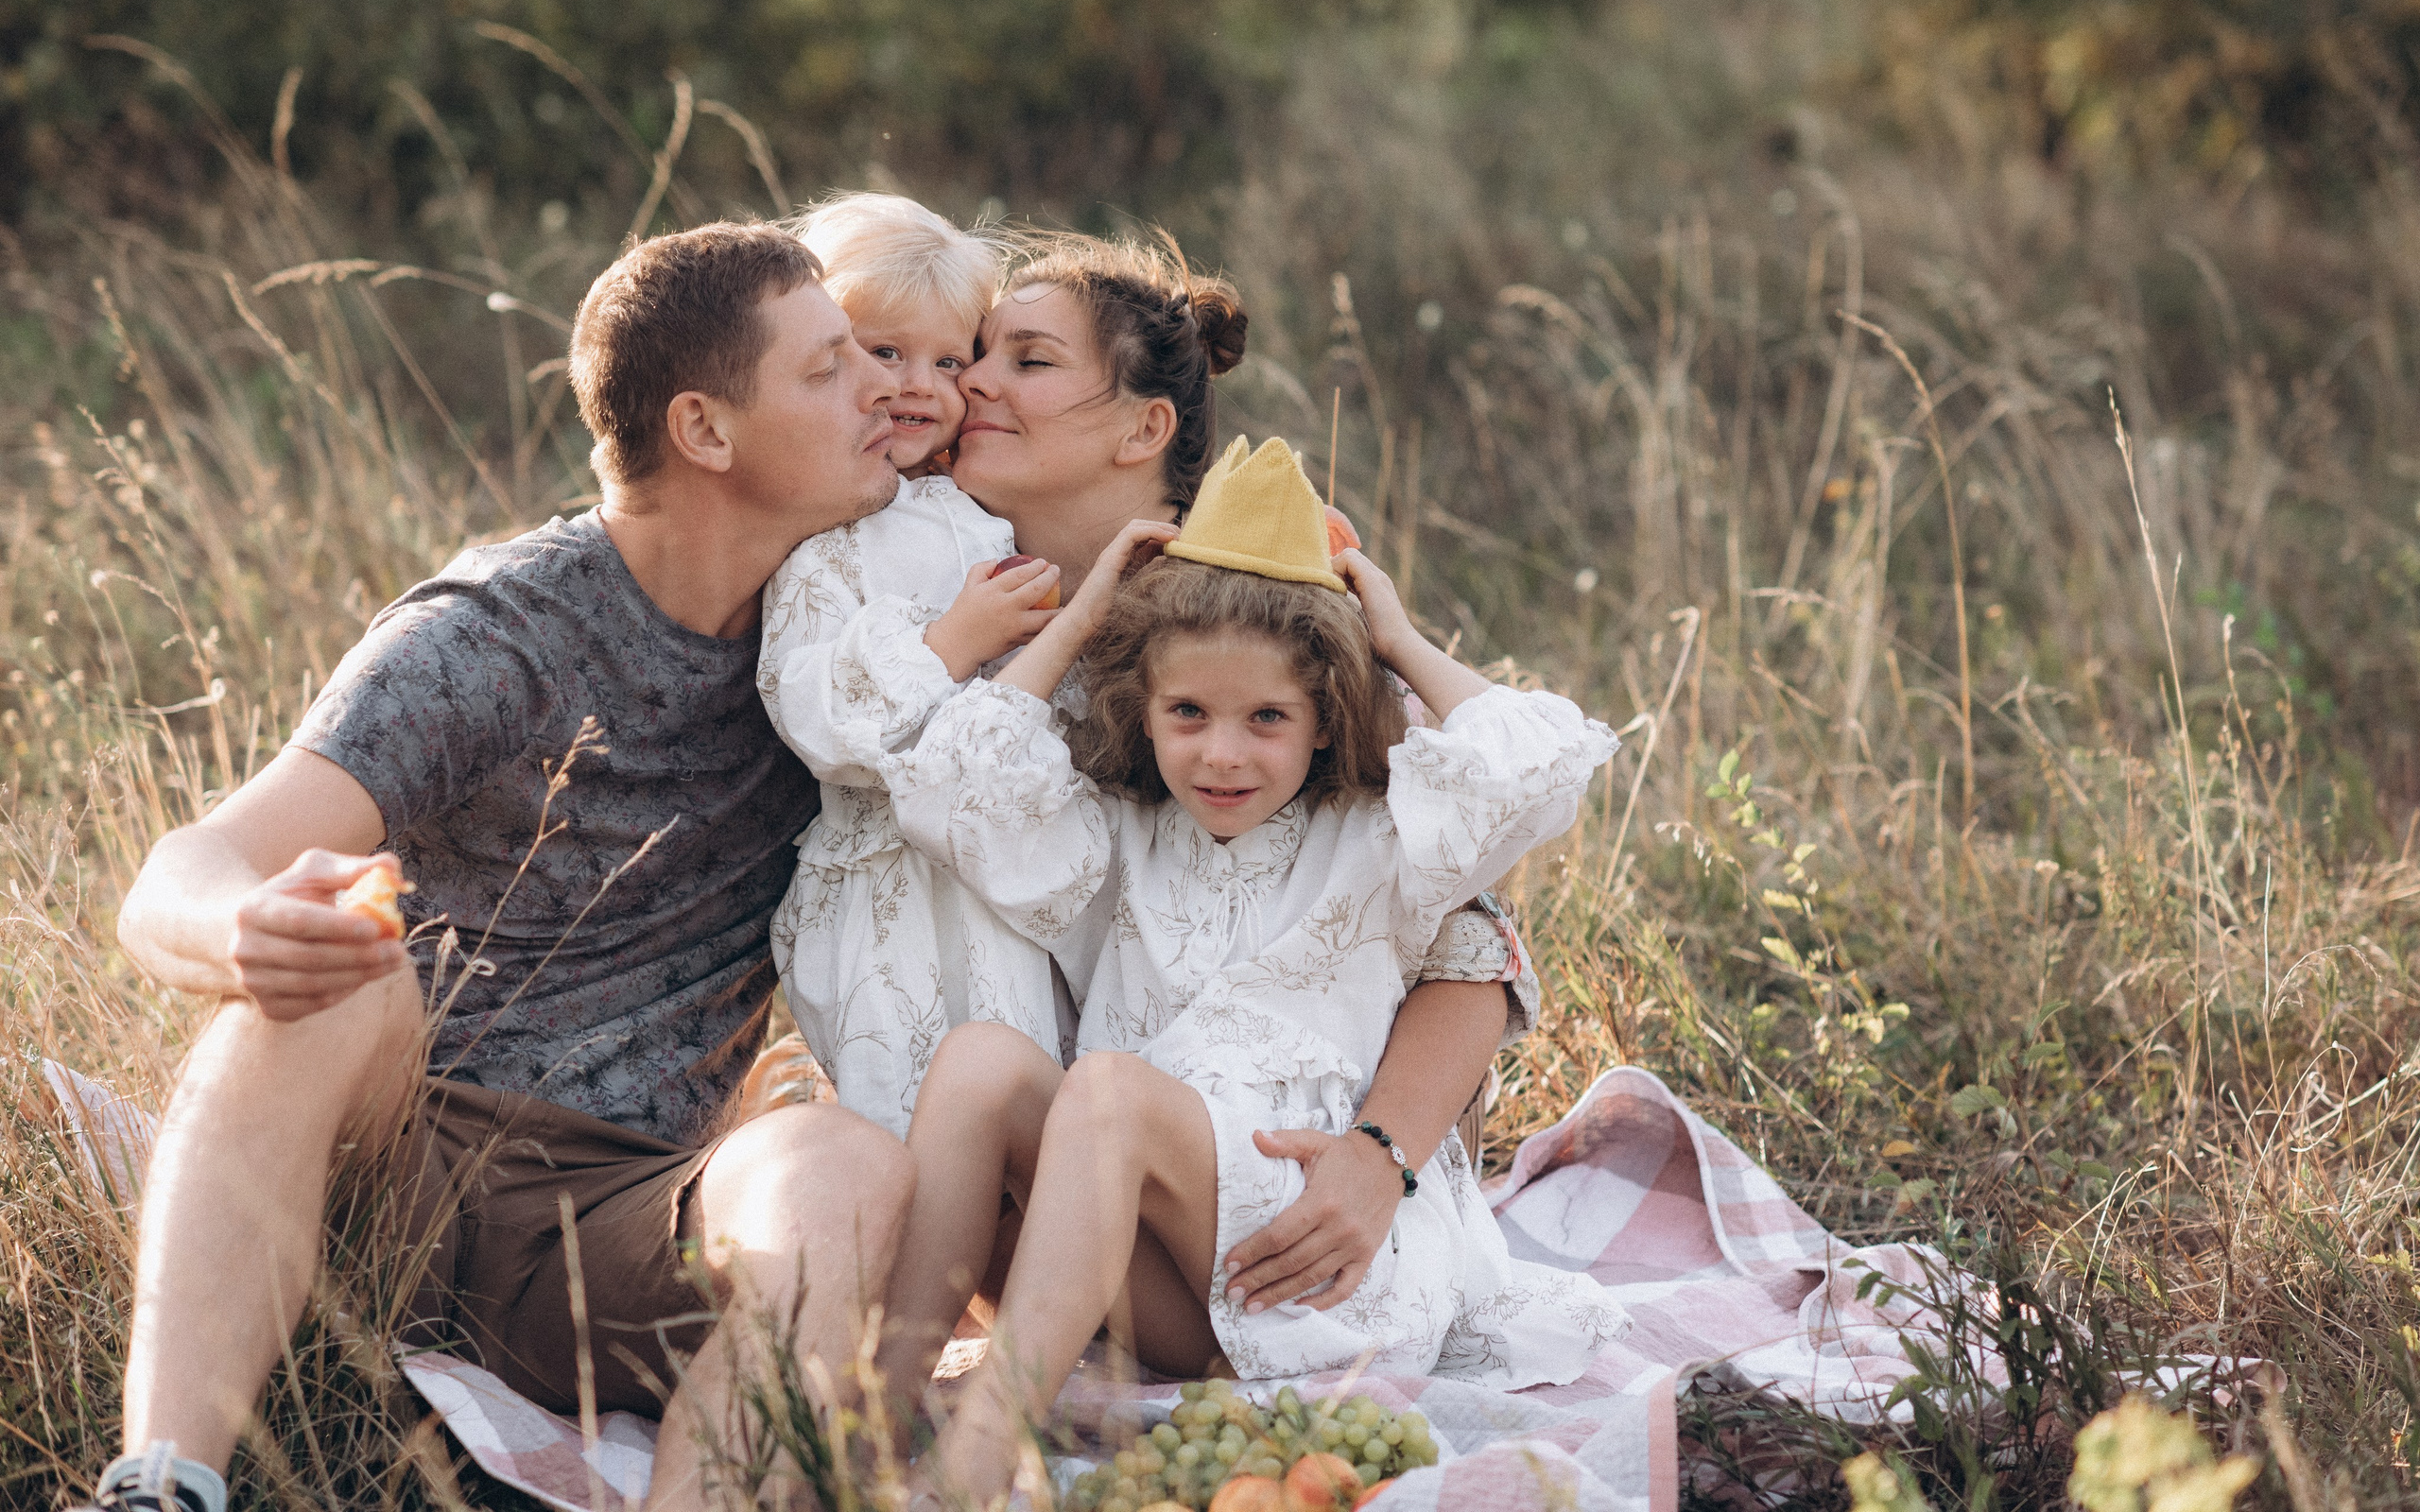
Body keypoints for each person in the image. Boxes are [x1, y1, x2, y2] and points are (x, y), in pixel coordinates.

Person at [83, 223, 917, 1512]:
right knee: (341, 984)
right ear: (705, 430)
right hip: (390, 1168)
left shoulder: (850, 642)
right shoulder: (500, 634)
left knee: (839, 1163)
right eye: (828, 369)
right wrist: (244, 927)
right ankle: (161, 1486)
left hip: (619, 1226)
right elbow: (179, 874)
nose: (882, 385)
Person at [887, 440, 1632, 1504]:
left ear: (1325, 715)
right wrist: (1082, 615)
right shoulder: (1116, 837)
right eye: (1186, 713)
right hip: (1167, 1266)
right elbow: (949, 785)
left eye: (1266, 719)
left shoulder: (1382, 837)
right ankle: (865, 1409)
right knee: (980, 1064)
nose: (1221, 755)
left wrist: (1395, 635)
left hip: (1319, 1255)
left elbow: (1538, 763)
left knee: (1107, 1091)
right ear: (1142, 709)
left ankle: (973, 1463)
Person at [755, 192, 1067, 1137]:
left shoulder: (979, 509)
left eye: (950, 358)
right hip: (885, 881)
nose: (920, 386)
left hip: (997, 864)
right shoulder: (822, 537)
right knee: (902, 1095)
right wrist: (949, 645)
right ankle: (898, 1261)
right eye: (884, 352)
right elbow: (810, 711)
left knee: (1022, 1074)